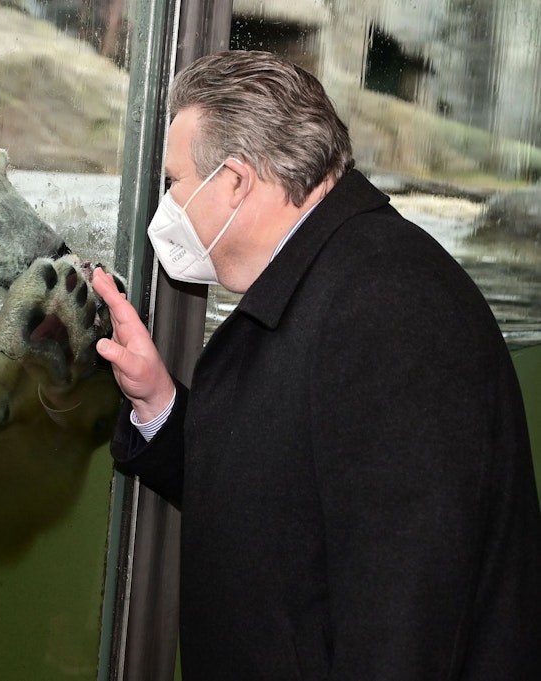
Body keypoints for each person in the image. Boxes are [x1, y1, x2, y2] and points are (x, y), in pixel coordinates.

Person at [91, 50, 541, 680]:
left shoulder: (391, 305)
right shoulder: (333, 277)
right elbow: (284, 502)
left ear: (237, 180)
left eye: (176, 182)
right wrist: (159, 401)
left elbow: (404, 613)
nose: (168, 208)